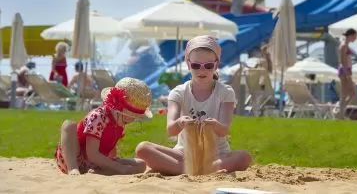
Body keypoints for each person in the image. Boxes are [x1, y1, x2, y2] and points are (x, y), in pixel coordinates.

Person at [135, 35, 252, 175]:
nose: (202, 71)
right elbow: (171, 130)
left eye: (208, 66)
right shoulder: (178, 92)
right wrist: (180, 122)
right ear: (189, 64)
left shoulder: (226, 92)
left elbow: (224, 130)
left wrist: (214, 125)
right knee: (142, 149)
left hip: (216, 153)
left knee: (244, 157)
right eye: (196, 66)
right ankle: (203, 170)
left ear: (216, 64)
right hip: (184, 153)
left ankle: (187, 169)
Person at [54, 77, 152, 175]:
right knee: (68, 125)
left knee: (142, 164)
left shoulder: (119, 121)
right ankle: (73, 169)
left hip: (97, 162)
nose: (133, 119)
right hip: (77, 157)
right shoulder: (98, 117)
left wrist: (114, 160)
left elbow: (111, 144)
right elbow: (92, 154)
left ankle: (98, 171)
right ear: (120, 110)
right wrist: (120, 168)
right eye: (131, 115)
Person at [337, 28, 357, 119]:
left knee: (349, 94)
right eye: (355, 36)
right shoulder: (344, 46)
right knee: (348, 94)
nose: (355, 39)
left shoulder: (345, 45)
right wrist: (347, 74)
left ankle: (340, 113)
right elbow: (342, 61)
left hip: (346, 70)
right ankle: (339, 113)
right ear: (350, 35)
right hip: (345, 71)